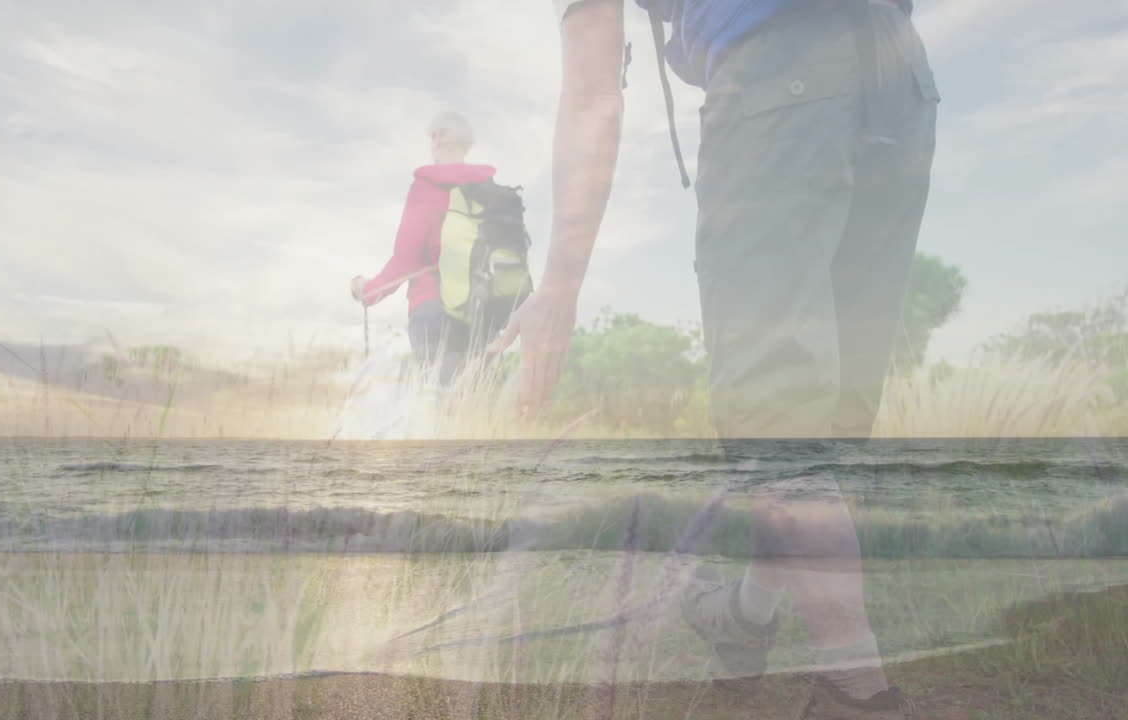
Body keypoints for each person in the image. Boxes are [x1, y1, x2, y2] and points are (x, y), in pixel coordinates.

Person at [489, 0, 939, 717]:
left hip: (779, 83)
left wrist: (560, 287)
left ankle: (858, 692)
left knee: (777, 421)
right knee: (819, 430)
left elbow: (592, 98)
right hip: (902, 81)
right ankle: (746, 616)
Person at [351, 111, 498, 386]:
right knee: (473, 404)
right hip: (481, 309)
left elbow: (405, 260)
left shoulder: (426, 187)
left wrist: (369, 291)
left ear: (438, 138)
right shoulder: (489, 190)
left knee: (438, 402)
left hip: (433, 306)